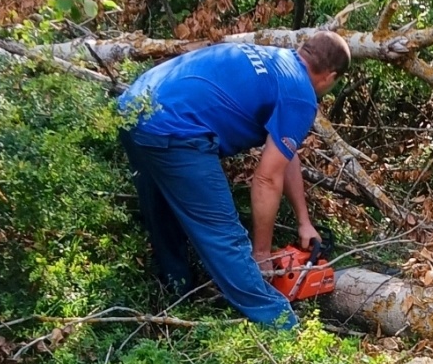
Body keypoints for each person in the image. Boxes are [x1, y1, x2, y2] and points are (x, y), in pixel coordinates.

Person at [116, 32, 350, 327]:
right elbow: (266, 178)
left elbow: (284, 154)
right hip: (176, 130)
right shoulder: (301, 95)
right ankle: (283, 328)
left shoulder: (274, 59)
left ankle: (177, 297)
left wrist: (304, 220)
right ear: (330, 77)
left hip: (133, 108)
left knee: (162, 212)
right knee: (224, 237)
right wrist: (262, 253)